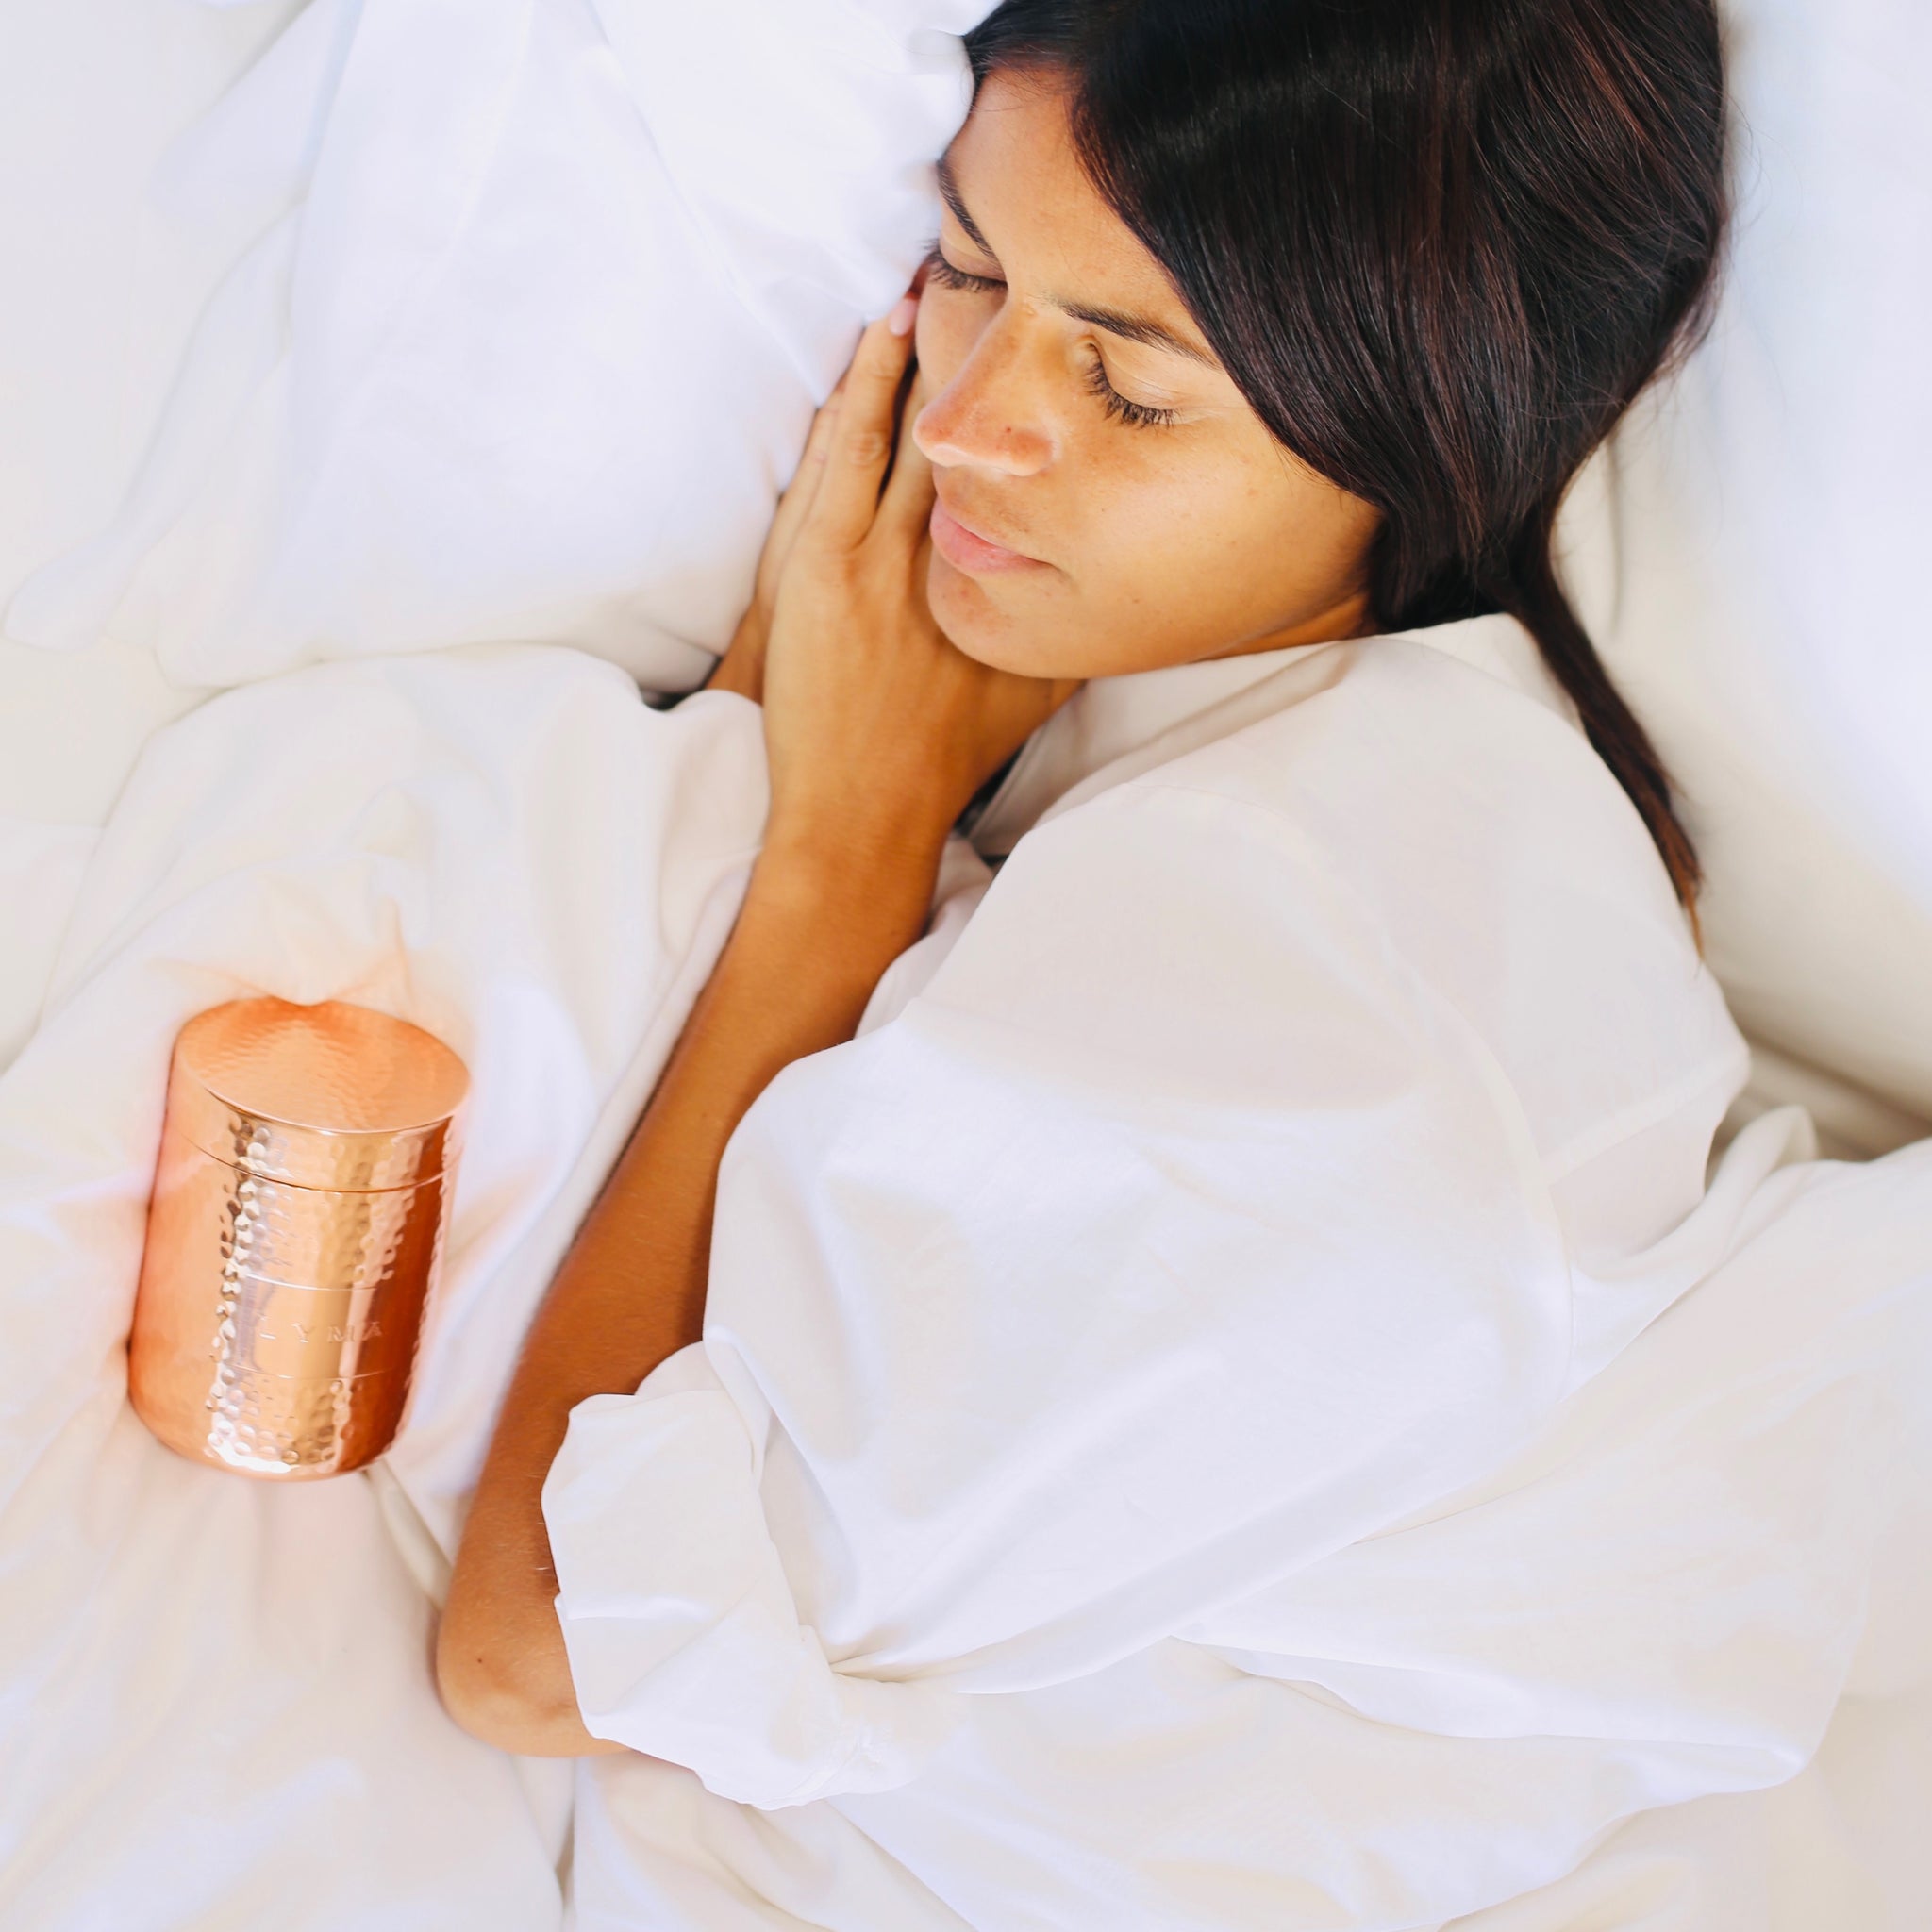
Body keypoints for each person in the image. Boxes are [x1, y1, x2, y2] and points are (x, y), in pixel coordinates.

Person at [437, 3, 1801, 1924]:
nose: (966, 423)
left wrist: (839, 867)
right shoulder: (1187, 752)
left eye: (1134, 389)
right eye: (967, 268)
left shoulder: (1325, 953)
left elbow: (535, 1652)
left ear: (1429, 429)